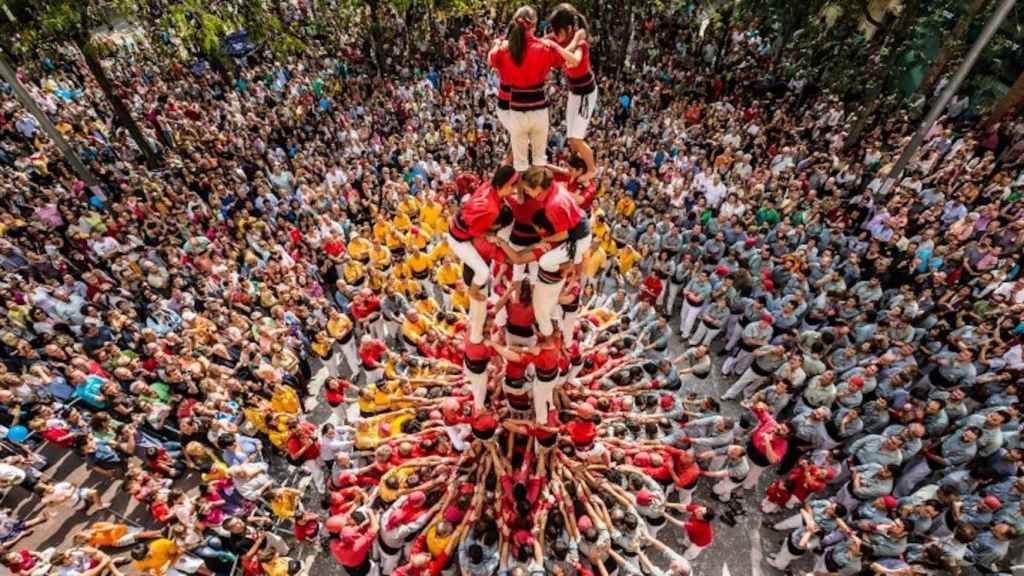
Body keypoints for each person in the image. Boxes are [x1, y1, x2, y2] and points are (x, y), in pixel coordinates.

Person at [488, 6, 581, 172]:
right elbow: (569, 60)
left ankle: (521, 193)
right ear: (535, 25)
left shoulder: (505, 49)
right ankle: (538, 190)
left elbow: (492, 59)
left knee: (520, 162)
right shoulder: (544, 48)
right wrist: (556, 44)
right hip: (538, 109)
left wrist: (497, 44)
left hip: (516, 109)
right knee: (539, 159)